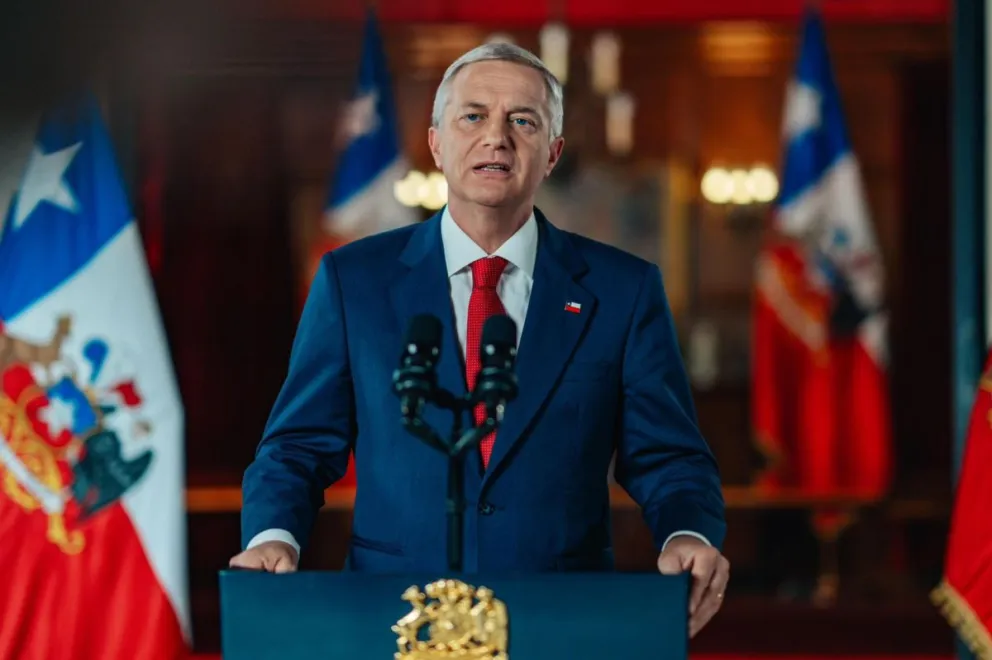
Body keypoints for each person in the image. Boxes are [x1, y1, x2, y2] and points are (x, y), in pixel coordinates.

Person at [231, 42, 730, 638]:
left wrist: (687, 533)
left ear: (552, 154)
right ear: (437, 142)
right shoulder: (352, 282)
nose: (497, 137)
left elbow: (669, 456)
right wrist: (272, 536)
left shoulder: (624, 291)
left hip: (561, 620)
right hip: (395, 618)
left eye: (523, 121)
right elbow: (297, 446)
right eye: (473, 116)